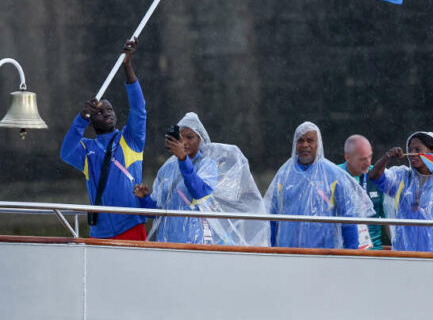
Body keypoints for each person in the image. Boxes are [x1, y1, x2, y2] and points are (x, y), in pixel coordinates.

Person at [134, 112, 269, 246]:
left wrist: (183, 160)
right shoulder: (167, 169)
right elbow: (159, 212)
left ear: (200, 139)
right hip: (166, 243)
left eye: (190, 137)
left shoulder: (207, 164)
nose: (185, 142)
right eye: (180, 138)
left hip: (195, 243)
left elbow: (200, 193)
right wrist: (144, 198)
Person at [60, 39, 147, 240]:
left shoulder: (131, 139)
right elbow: (66, 152)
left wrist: (127, 66)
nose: (107, 113)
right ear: (91, 120)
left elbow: (139, 108)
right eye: (99, 112)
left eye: (110, 110)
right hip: (99, 231)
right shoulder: (86, 149)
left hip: (131, 225)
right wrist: (80, 120)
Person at [264, 122, 373, 249]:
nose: (305, 145)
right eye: (300, 140)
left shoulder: (333, 175)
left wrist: (352, 254)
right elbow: (272, 217)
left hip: (324, 256)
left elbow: (348, 219)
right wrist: (271, 249)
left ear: (318, 144)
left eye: (310, 140)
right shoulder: (284, 174)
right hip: (288, 254)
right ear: (295, 144)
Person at [369, 131, 433, 253]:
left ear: (432, 151)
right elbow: (374, 176)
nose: (412, 153)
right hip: (403, 253)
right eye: (410, 149)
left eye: (417, 149)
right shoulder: (401, 177)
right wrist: (387, 157)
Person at [338, 134, 387, 249]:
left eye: (370, 157)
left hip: (374, 253)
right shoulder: (334, 176)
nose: (368, 162)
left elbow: (388, 219)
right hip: (343, 254)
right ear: (347, 157)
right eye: (362, 159)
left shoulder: (377, 175)